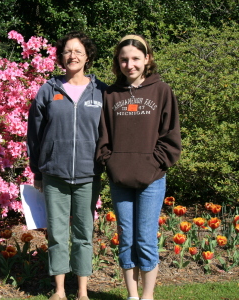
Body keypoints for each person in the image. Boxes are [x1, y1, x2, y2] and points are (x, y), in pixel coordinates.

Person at [96, 34, 182, 300]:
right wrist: (111, 163)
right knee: (126, 239)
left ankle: (147, 296)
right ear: (117, 62)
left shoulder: (162, 91)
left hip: (152, 179)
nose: (129, 64)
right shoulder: (110, 94)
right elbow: (103, 137)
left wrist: (153, 164)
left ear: (147, 59)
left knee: (145, 239)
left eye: (135, 58)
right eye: (123, 59)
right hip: (120, 178)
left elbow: (170, 137)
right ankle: (132, 296)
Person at [27, 31, 107, 300]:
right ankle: (60, 290)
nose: (72, 55)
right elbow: (34, 134)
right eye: (67, 51)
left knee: (84, 234)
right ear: (61, 57)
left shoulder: (102, 92)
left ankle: (82, 292)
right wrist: (37, 170)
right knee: (58, 235)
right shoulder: (48, 90)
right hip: (55, 174)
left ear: (87, 56)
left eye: (78, 51)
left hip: (88, 174)